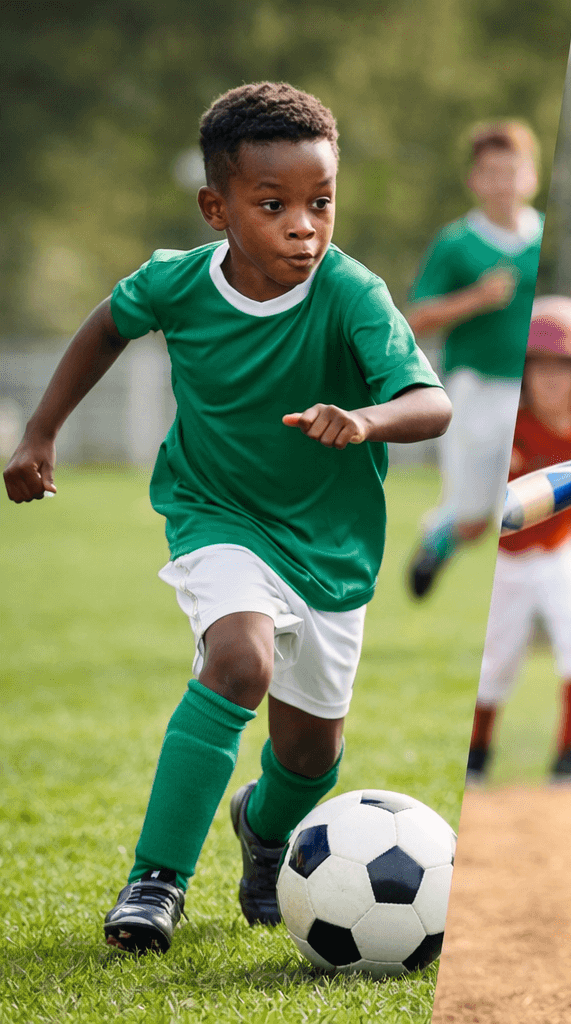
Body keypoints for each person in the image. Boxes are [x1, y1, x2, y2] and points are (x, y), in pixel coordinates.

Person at [1, 82, 450, 954]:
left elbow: (429, 402)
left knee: (313, 758)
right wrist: (41, 432)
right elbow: (105, 326)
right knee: (237, 661)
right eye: (273, 204)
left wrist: (364, 419)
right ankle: (155, 880)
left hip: (330, 546)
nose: (303, 227)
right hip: (216, 514)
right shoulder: (176, 282)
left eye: (321, 203)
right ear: (218, 209)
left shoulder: (352, 292)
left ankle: (264, 826)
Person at [465, 295, 571, 788]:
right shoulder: (508, 423)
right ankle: (475, 757)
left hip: (560, 549)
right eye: (539, 366)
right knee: (494, 659)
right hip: (505, 558)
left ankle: (569, 756)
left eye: (565, 366)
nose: (552, 378)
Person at [406, 120, 543, 598]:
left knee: (528, 504)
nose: (504, 183)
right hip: (475, 389)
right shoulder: (456, 242)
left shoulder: (543, 237)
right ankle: (435, 539)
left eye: (513, 171)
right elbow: (418, 317)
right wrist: (477, 298)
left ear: (531, 177)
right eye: (492, 172)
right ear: (475, 180)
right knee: (473, 519)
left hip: (534, 395)